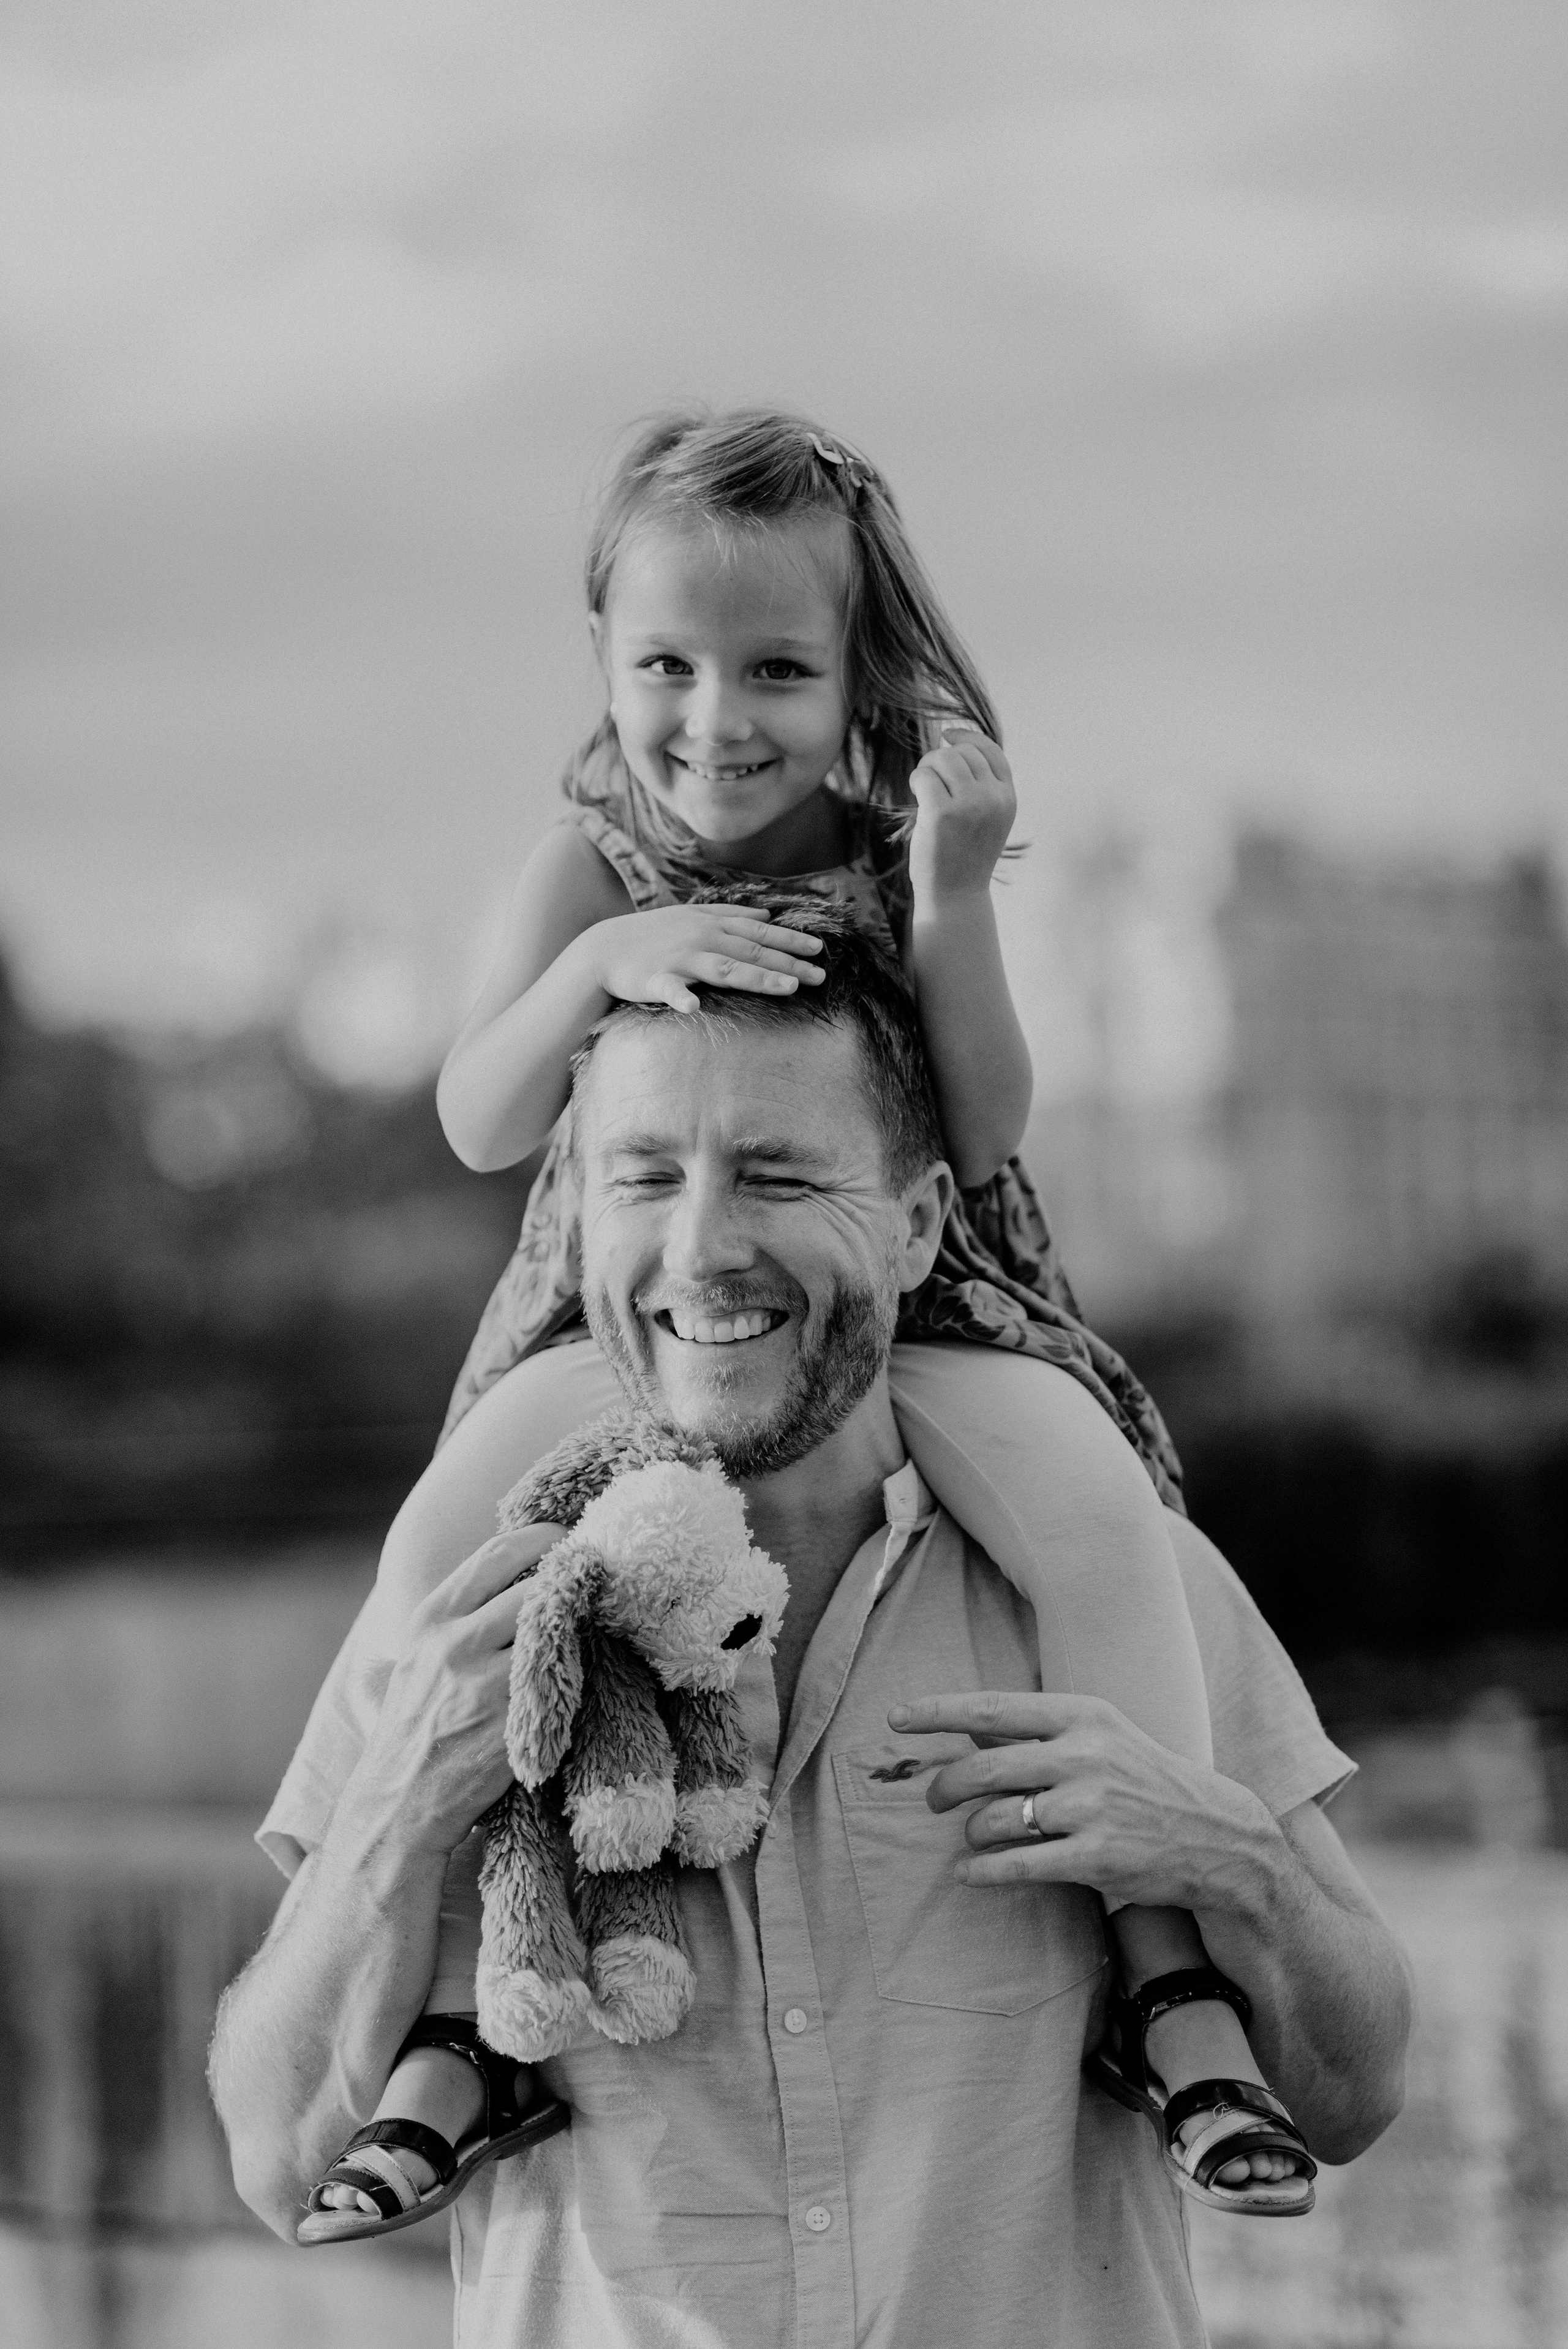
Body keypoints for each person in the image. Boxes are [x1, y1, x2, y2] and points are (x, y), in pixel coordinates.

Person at [285, 407, 1317, 2231]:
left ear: (858, 676)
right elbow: (477, 1117)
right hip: (619, 1324)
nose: (715, 716)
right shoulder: (587, 864)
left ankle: (1171, 1985)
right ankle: (464, 2016)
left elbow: (982, 1126)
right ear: (602, 661)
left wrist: (960, 890)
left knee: (1094, 1512)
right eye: (666, 663)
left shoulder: (890, 839)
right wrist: (594, 971)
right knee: (446, 1550)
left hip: (932, 1301)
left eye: (775, 666)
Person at [210, 933, 1411, 2347]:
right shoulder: (462, 1624)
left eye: (777, 1175)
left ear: (912, 1229)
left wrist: (1229, 1859)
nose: (702, 1245)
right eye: (644, 1178)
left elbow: (1349, 2095)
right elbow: (281, 2163)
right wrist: (399, 1813)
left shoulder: (1128, 1589)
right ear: (578, 1223)